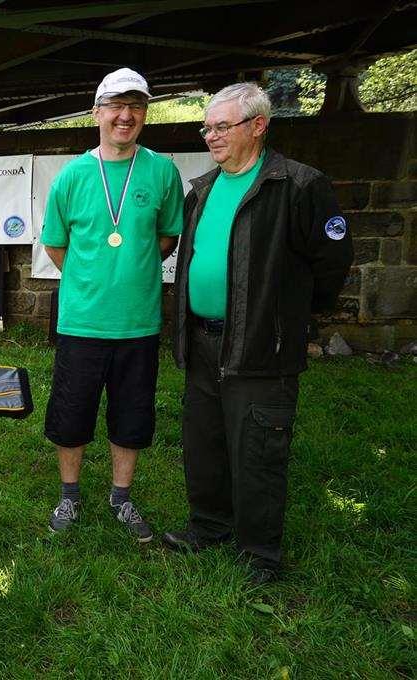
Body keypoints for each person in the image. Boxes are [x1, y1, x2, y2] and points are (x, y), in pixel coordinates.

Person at [165, 83, 353, 584]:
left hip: (260, 347)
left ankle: (259, 552)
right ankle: (209, 526)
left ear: (258, 125)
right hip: (203, 341)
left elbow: (332, 263)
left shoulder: (298, 185)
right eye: (207, 127)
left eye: (221, 127)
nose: (211, 136)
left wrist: (284, 319)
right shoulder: (201, 190)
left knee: (258, 450)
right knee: (203, 440)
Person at [40, 68, 183, 542]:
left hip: (138, 321)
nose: (126, 116)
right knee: (71, 411)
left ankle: (121, 497)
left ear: (144, 113)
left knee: (133, 413)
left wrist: (130, 272)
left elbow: (165, 238)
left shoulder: (162, 171)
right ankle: (70, 493)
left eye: (136, 106)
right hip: (82, 320)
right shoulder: (72, 175)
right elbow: (57, 245)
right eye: (116, 106)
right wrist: (91, 278)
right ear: (96, 112)